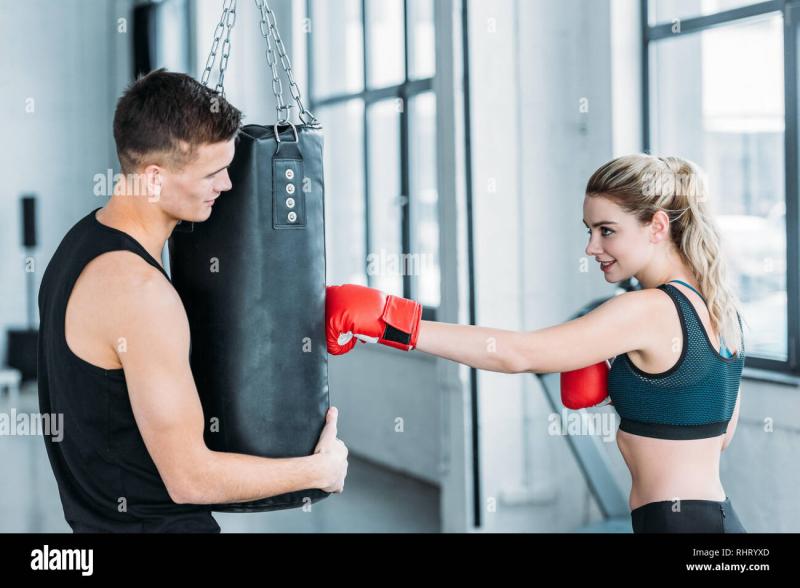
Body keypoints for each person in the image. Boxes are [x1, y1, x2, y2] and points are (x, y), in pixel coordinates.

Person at [327, 154, 747, 533]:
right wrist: (646, 394)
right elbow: (718, 436)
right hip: (714, 516)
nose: (591, 247)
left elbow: (518, 354)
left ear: (657, 226)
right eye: (589, 231)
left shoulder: (646, 309)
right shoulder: (721, 308)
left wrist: (391, 320)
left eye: (607, 231)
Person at [38, 69, 348, 533]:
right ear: (156, 178)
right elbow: (189, 479)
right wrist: (317, 471)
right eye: (213, 172)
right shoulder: (141, 296)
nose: (227, 185)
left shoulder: (76, 248)